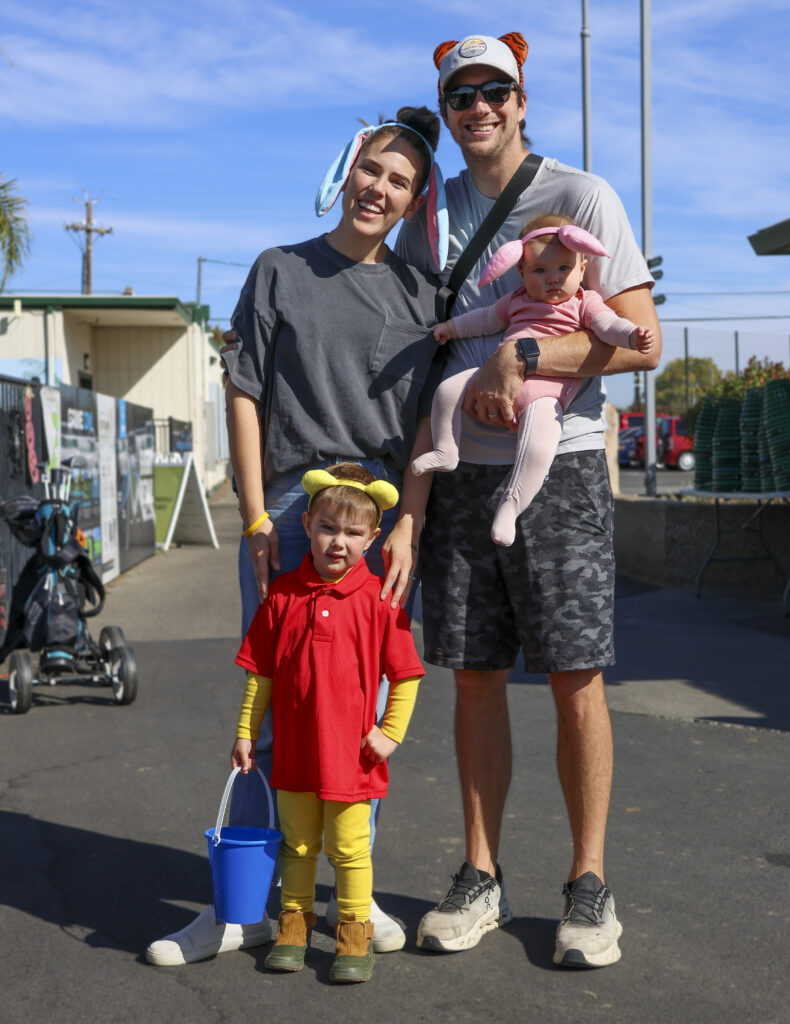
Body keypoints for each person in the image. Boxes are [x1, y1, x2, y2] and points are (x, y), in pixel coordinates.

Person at [145, 106, 443, 967]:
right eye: (370, 170)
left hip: (377, 519)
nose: (377, 188)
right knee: (272, 710)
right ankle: (237, 908)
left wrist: (409, 528)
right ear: (346, 171)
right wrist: (251, 516)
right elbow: (243, 391)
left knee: (353, 716)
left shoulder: (423, 298)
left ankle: (347, 893)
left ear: (413, 201)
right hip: (287, 509)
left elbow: (426, 425)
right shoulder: (278, 270)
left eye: (398, 181)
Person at [393, 32, 662, 966]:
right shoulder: (430, 210)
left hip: (563, 465)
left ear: (520, 99)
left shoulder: (582, 197)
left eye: (492, 91)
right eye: (459, 95)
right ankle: (479, 877)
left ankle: (589, 887)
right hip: (461, 468)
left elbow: (642, 340)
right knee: (469, 675)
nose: (477, 108)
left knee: (573, 673)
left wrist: (523, 356)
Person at [231, 464, 424, 983]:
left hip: (351, 758)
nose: (338, 542)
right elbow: (261, 676)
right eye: (327, 528)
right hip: (295, 757)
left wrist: (390, 733)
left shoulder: (381, 601)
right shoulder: (283, 596)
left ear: (373, 537)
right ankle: (292, 929)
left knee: (349, 849)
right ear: (308, 523)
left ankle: (353, 933)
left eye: (353, 532)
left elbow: (406, 675)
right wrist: (247, 731)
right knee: (296, 846)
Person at [413, 212, 656, 545]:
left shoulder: (585, 302)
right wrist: (451, 329)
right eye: (540, 271)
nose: (553, 279)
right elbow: (483, 320)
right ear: (521, 273)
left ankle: (511, 506)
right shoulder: (515, 301)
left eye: (563, 269)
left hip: (546, 393)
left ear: (583, 267)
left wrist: (632, 336)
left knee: (539, 446)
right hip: (495, 380)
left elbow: (609, 327)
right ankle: (446, 449)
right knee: (447, 390)